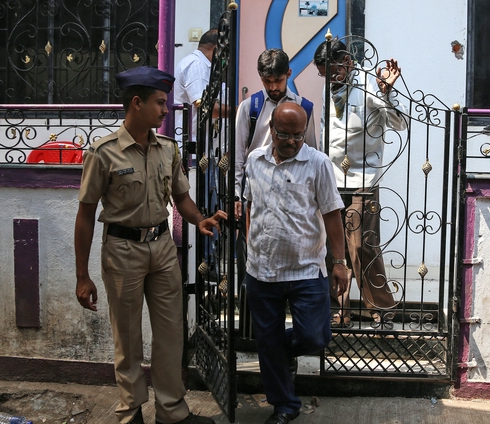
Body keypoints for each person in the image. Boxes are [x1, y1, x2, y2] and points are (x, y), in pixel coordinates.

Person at [74, 66, 225, 424]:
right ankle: (130, 413)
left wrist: (199, 219)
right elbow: (85, 214)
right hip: (122, 250)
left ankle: (171, 412)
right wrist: (82, 275)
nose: (165, 110)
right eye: (159, 102)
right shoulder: (103, 153)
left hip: (162, 248)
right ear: (137, 103)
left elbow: (181, 197)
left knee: (171, 333)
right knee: (127, 338)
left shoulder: (167, 149)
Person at [243, 102, 349, 424]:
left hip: (306, 268)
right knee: (266, 341)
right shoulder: (254, 160)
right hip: (261, 271)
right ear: (271, 130)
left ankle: (283, 351)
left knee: (315, 336)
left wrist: (339, 261)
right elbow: (250, 205)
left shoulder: (318, 163)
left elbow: (332, 214)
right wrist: (250, 242)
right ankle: (285, 406)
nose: (291, 141)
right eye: (285, 134)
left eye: (298, 135)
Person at [313, 40, 409, 326]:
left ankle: (381, 311)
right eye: (323, 74)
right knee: (334, 248)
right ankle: (338, 311)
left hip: (362, 180)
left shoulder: (370, 85)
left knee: (361, 247)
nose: (329, 79)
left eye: (332, 71)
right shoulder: (330, 87)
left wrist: (387, 92)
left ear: (347, 62)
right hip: (331, 179)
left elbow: (400, 123)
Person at [233, 48, 320, 217]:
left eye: (278, 80)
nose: (272, 87)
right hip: (257, 186)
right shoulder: (249, 107)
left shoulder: (304, 108)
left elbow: (311, 152)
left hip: (294, 188)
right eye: (267, 81)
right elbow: (237, 155)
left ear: (288, 73)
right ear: (260, 76)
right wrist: (236, 193)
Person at [173, 28, 227, 142]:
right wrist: (240, 111)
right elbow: (205, 107)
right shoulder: (197, 65)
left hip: (204, 143)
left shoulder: (205, 66)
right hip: (194, 145)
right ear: (216, 49)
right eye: (225, 51)